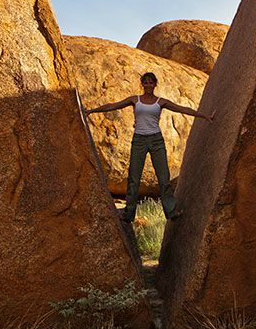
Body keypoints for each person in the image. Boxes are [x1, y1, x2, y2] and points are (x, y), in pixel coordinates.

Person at [84, 72, 215, 222]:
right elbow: (113, 105)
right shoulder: (135, 100)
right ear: (142, 84)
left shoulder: (160, 102)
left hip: (156, 141)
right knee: (134, 177)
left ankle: (171, 212)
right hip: (139, 140)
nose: (148, 85)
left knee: (164, 177)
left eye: (150, 83)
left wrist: (204, 116)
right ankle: (128, 214)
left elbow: (182, 109)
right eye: (145, 83)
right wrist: (92, 111)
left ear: (155, 84)